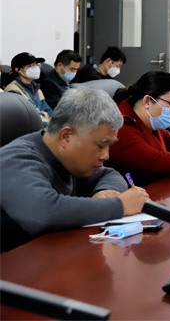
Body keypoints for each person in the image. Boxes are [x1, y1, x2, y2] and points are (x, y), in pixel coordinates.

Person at [0, 87, 150, 252]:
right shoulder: (16, 159)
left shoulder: (68, 158)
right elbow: (43, 212)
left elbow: (109, 174)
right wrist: (119, 205)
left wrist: (106, 191)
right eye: (100, 146)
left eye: (109, 146)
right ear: (66, 136)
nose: (106, 155)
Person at [4, 52, 53, 123]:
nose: (35, 68)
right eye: (30, 66)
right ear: (18, 70)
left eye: (36, 65)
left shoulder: (37, 89)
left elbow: (48, 111)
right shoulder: (13, 90)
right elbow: (28, 118)